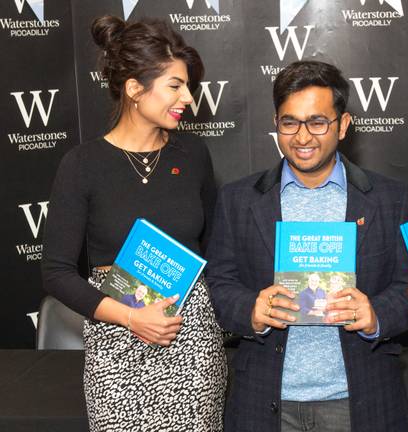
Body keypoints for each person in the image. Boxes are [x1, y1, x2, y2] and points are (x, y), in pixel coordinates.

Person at [205, 60, 408, 432]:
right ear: (276, 123)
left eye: (318, 122)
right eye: (290, 122)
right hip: (265, 399)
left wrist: (376, 314)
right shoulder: (238, 198)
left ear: (343, 125)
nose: (303, 137)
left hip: (360, 398)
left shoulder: (388, 198)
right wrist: (250, 310)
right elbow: (220, 284)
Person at [41, 16, 226, 432]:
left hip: (192, 345)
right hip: (116, 343)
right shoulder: (82, 165)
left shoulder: (193, 155)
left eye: (188, 87)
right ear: (134, 89)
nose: (188, 99)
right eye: (175, 86)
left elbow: (214, 250)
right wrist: (130, 318)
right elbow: (56, 272)